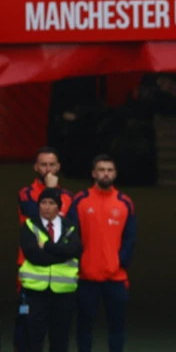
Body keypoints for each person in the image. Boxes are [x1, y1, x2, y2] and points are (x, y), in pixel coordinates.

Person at [68, 154, 136, 352]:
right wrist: (80, 263)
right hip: (86, 276)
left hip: (116, 277)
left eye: (109, 170)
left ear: (115, 174)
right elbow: (71, 235)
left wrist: (119, 262)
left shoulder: (125, 202)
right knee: (84, 327)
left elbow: (130, 238)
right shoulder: (79, 200)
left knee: (117, 328)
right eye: (101, 170)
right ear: (93, 173)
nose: (105, 174)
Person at [15, 146, 74, 352]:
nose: (47, 169)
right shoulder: (26, 194)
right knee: (27, 329)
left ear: (58, 167)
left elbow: (68, 226)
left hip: (60, 275)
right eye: (43, 164)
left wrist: (56, 191)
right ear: (35, 167)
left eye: (51, 164)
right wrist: (52, 190)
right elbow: (39, 216)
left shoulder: (68, 196)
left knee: (59, 331)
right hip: (31, 272)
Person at [20, 188, 82, 352]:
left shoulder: (71, 227)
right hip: (35, 292)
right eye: (43, 203)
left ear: (59, 207)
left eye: (51, 203)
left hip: (64, 293)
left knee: (60, 338)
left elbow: (75, 250)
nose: (46, 207)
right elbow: (34, 255)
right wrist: (62, 254)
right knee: (32, 337)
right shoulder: (29, 225)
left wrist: (47, 246)